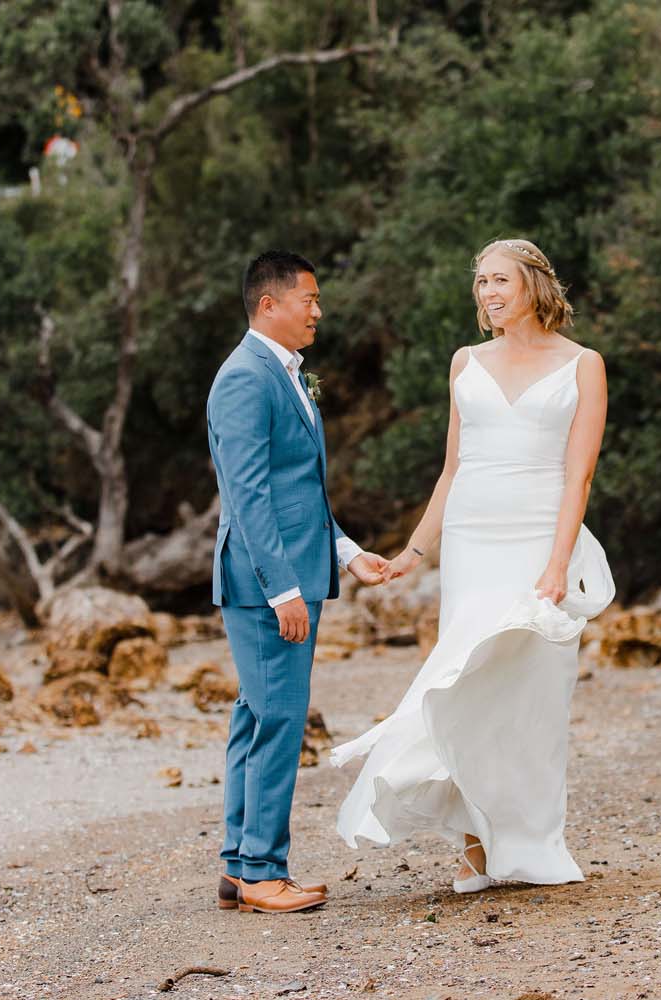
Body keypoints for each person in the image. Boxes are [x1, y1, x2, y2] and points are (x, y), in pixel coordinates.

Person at [332, 238, 615, 893]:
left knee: (532, 694)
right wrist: (413, 552)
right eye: (481, 282)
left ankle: (535, 843)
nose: (488, 293)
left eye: (500, 281)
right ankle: (476, 849)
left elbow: (581, 474)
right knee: (465, 685)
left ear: (535, 285)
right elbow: (452, 469)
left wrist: (556, 563)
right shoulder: (465, 361)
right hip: (472, 539)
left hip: (538, 534)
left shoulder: (583, 365)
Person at [206, 250, 389, 914]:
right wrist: (282, 589)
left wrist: (346, 552)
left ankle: (239, 864)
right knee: (279, 719)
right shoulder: (245, 379)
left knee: (257, 716)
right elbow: (248, 496)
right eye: (308, 299)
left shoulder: (285, 374)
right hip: (264, 583)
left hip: (291, 569)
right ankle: (260, 870)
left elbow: (298, 489)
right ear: (269, 305)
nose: (318, 311)